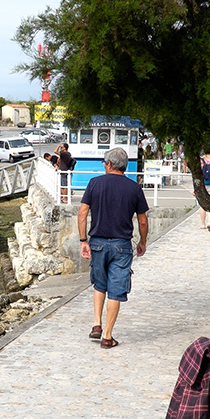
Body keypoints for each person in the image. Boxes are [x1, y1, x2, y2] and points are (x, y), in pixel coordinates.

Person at [79, 147, 149, 348]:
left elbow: (82, 213)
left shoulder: (94, 183)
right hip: (121, 245)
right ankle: (107, 336)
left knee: (99, 284)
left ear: (109, 164)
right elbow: (142, 220)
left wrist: (84, 240)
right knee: (116, 290)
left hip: (98, 242)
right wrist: (143, 241)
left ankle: (96, 324)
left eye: (104, 162)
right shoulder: (134, 188)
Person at [200, 152, 210, 230]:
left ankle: (203, 224)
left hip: (203, 185)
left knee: (202, 205)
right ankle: (209, 222)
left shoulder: (201, 161)